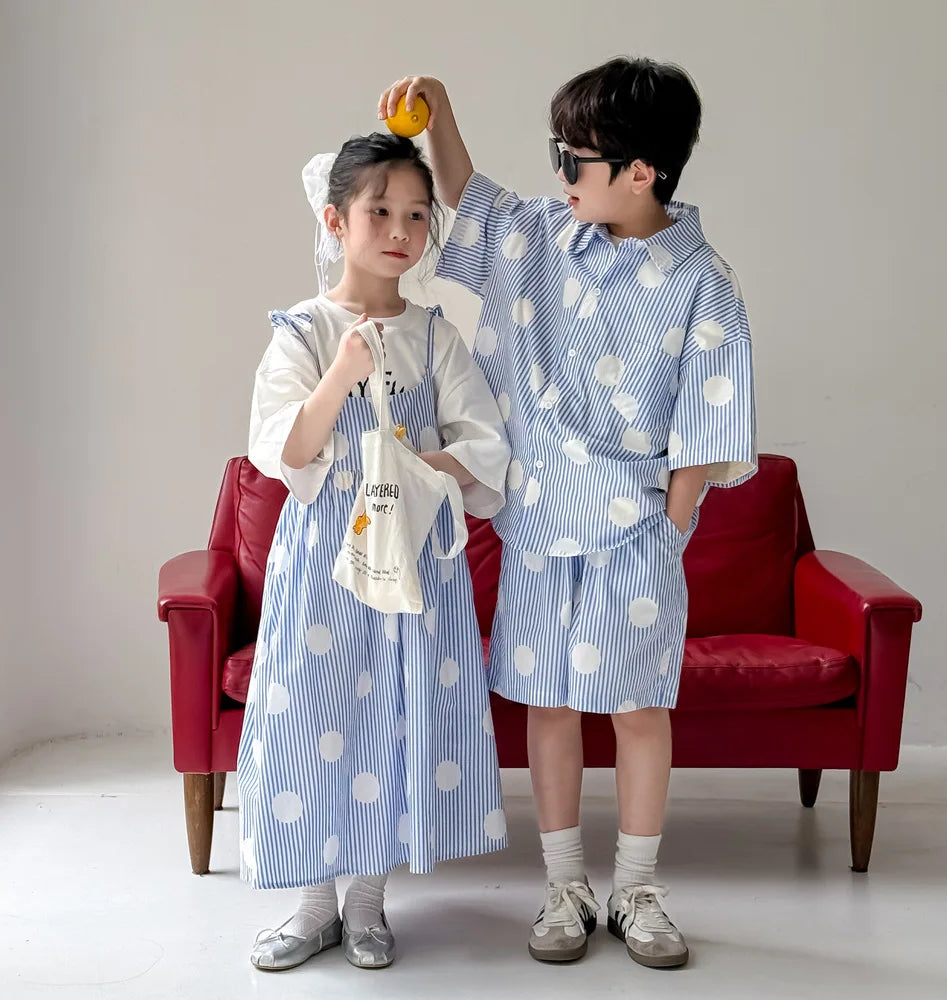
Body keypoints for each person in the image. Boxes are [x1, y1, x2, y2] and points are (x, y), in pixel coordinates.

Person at [377, 59, 757, 969]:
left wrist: (670, 524)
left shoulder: (703, 280)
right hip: (539, 522)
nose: (560, 174)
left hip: (636, 532)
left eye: (575, 159)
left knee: (638, 709)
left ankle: (639, 890)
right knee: (547, 706)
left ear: (642, 172)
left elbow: (710, 417)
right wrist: (442, 112)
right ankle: (565, 887)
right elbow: (465, 194)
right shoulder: (544, 235)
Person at [237, 131, 511, 972]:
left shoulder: (436, 336)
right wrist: (342, 373)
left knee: (396, 716)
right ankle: (313, 903)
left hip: (414, 561)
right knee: (315, 718)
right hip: (324, 564)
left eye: (417, 215)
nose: (400, 230)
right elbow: (283, 448)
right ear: (336, 220)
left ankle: (366, 902)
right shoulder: (303, 331)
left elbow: (485, 446)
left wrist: (417, 468)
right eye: (379, 211)